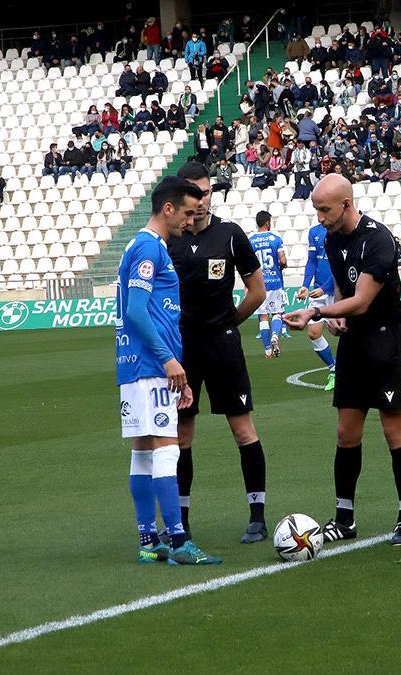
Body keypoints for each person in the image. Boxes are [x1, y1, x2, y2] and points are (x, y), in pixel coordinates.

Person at [283, 173, 401, 547]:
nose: (319, 217)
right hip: (356, 341)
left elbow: (362, 300)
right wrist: (336, 313)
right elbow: (346, 289)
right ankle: (345, 519)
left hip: (385, 338)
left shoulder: (378, 238)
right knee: (346, 433)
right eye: (315, 210)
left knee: (394, 431)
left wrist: (318, 312)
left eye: (324, 209)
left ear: (346, 204)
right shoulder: (331, 238)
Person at [116, 176, 221, 566]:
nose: (190, 223)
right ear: (168, 209)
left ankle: (149, 540)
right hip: (149, 365)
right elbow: (137, 312)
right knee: (166, 448)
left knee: (143, 451)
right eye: (188, 214)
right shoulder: (149, 248)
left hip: (133, 366)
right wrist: (169, 361)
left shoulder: (141, 246)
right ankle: (178, 540)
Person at [166, 162, 271, 544]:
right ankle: (181, 520)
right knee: (182, 433)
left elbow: (256, 291)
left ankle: (257, 517)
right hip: (182, 349)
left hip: (222, 345)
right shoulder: (168, 239)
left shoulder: (230, 235)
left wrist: (230, 322)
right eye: (195, 192)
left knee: (243, 430)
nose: (202, 199)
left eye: (207, 191)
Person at [295, 220, 337, 390]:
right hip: (318, 291)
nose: (320, 215)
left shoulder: (341, 230)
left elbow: (342, 265)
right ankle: (334, 370)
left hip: (340, 291)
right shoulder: (314, 232)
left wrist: (325, 288)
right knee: (313, 333)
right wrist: (305, 285)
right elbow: (312, 261)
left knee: (347, 333)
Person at [248, 211, 288, 358]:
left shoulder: (250, 240)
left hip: (259, 284)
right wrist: (282, 266)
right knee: (277, 313)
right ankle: (275, 335)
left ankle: (267, 350)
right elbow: (282, 260)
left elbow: (247, 264)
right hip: (275, 282)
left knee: (263, 316)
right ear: (267, 223)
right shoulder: (275, 238)